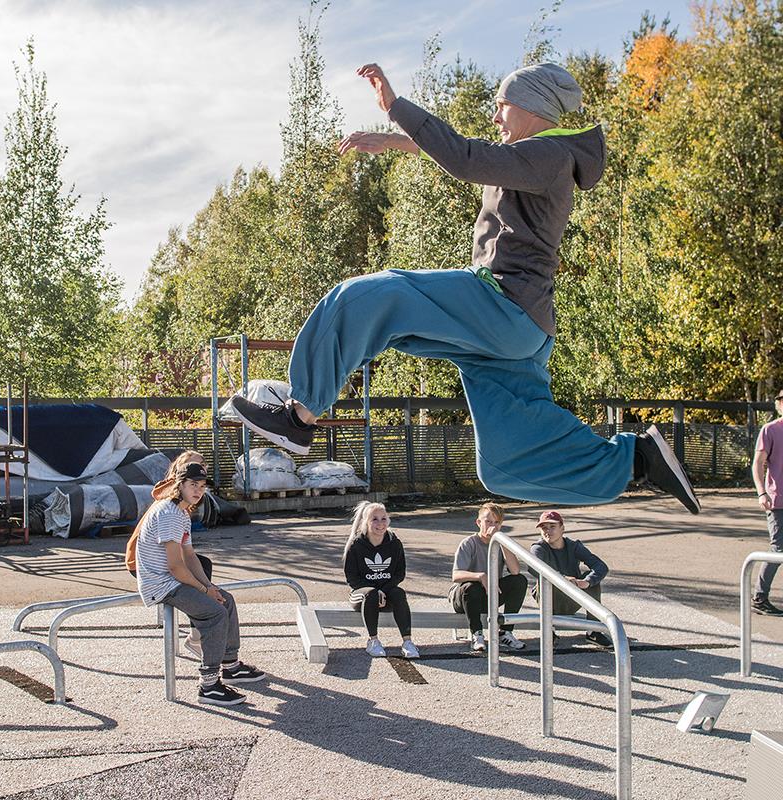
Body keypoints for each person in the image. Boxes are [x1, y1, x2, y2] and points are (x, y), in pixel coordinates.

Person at [228, 61, 700, 516]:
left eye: (502, 106)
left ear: (531, 108)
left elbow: (466, 157)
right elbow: (475, 152)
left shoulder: (548, 155)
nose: (495, 116)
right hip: (516, 335)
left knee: (367, 298)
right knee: (504, 464)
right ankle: (636, 460)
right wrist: (397, 141)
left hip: (503, 305)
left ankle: (300, 414)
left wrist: (396, 107)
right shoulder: (537, 157)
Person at [136, 460, 265, 706]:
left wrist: (210, 587)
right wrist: (204, 590)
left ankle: (231, 665)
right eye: (193, 484)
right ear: (179, 485)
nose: (198, 490)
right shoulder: (169, 514)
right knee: (214, 614)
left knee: (225, 600)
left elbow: (190, 556)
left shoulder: (182, 512)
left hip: (171, 580)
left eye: (202, 486)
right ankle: (209, 686)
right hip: (160, 584)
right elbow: (175, 566)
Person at [125, 450, 213, 657]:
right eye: (192, 469)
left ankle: (199, 632)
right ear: (179, 475)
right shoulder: (170, 500)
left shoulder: (183, 500)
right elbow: (176, 561)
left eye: (202, 470)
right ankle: (197, 636)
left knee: (201, 565)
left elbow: (187, 552)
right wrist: (203, 588)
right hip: (142, 561)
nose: (199, 473)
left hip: (154, 555)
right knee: (197, 572)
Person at [343, 501, 420, 658]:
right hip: (362, 594)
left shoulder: (394, 543)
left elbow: (399, 573)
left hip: (386, 593)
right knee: (370, 594)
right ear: (366, 522)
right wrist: (375, 592)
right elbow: (351, 578)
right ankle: (373, 641)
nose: (380, 523)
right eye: (374, 519)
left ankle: (408, 642)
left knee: (398, 593)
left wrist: (383, 591)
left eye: (383, 518)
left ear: (388, 520)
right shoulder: (356, 545)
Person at [449, 502, 527, 652]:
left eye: (497, 522)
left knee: (519, 581)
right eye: (488, 521)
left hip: (490, 594)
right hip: (465, 597)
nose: (492, 525)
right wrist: (480, 576)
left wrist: (502, 542)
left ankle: (505, 632)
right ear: (478, 522)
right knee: (471, 587)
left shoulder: (501, 544)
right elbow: (456, 575)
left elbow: (515, 571)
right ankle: (477, 634)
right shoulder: (468, 543)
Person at [530, 510, 611, 648]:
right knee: (545, 579)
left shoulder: (573, 546)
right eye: (544, 528)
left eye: (552, 527)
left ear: (562, 528)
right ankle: (549, 630)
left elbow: (600, 566)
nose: (547, 531)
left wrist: (587, 582)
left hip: (573, 596)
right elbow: (535, 568)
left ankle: (593, 632)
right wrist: (563, 579)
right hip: (551, 599)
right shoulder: (538, 548)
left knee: (593, 582)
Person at [751, 392, 783, 615]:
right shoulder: (770, 430)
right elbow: (758, 464)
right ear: (779, 405)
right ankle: (760, 598)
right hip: (778, 500)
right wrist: (762, 492)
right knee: (779, 549)